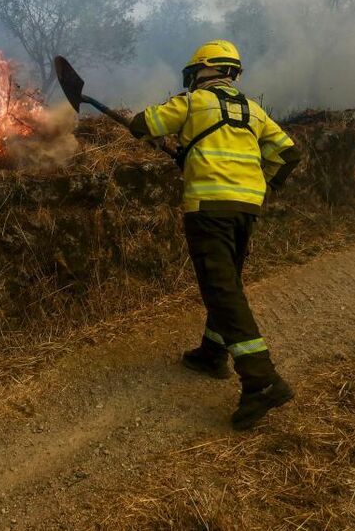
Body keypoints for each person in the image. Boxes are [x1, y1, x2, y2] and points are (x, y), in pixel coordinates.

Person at [127, 39, 302, 430]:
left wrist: (160, 134)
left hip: (209, 210)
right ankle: (211, 352)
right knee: (228, 282)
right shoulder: (254, 111)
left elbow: (143, 124)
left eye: (194, 73)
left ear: (205, 70)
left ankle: (262, 379)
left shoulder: (192, 103)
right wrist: (261, 183)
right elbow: (290, 153)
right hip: (246, 208)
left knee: (221, 290)